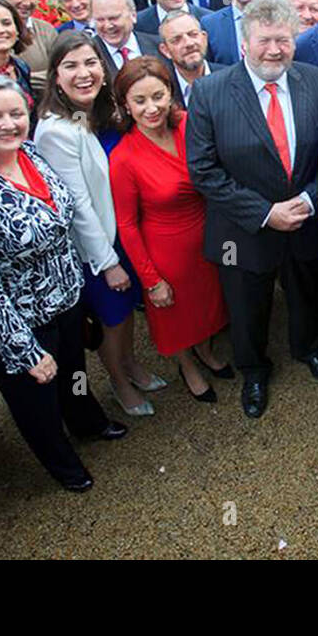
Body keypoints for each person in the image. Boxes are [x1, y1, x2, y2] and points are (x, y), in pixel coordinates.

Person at [0, 75, 126, 492]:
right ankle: (63, 464)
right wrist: (25, 350)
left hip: (65, 300)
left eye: (16, 113)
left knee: (73, 374)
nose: (8, 124)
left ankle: (87, 421)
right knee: (36, 401)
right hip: (17, 323)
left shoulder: (31, 154)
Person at [186, 0, 318, 419]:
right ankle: (254, 370)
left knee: (307, 292)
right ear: (243, 44)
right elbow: (203, 170)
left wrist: (310, 199)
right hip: (243, 230)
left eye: (284, 40)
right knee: (247, 305)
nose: (275, 50)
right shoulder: (209, 92)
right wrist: (265, 213)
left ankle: (308, 348)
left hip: (306, 221)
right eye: (265, 41)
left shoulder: (316, 80)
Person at [35, 31, 163, 418]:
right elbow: (78, 206)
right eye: (70, 66)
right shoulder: (56, 131)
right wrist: (107, 263)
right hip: (101, 245)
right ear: (55, 76)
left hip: (127, 230)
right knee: (113, 316)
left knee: (126, 315)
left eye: (90, 63)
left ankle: (130, 365)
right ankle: (119, 382)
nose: (83, 73)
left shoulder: (103, 112)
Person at [111, 57, 231, 402]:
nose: (152, 108)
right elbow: (127, 225)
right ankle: (188, 365)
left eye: (158, 96)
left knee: (210, 306)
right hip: (166, 251)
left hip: (208, 238)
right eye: (140, 101)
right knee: (176, 317)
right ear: (126, 105)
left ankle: (206, 351)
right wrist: (151, 279)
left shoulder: (189, 125)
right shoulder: (124, 158)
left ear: (171, 93)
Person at [91, 0, 164, 80]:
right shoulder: (89, 54)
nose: (108, 26)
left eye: (113, 18)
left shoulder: (160, 47)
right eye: (100, 20)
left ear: (133, 15)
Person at [160, 9, 224, 108]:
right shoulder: (162, 88)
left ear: (204, 38)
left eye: (193, 34)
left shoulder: (233, 78)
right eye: (177, 40)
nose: (189, 43)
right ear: (165, 50)